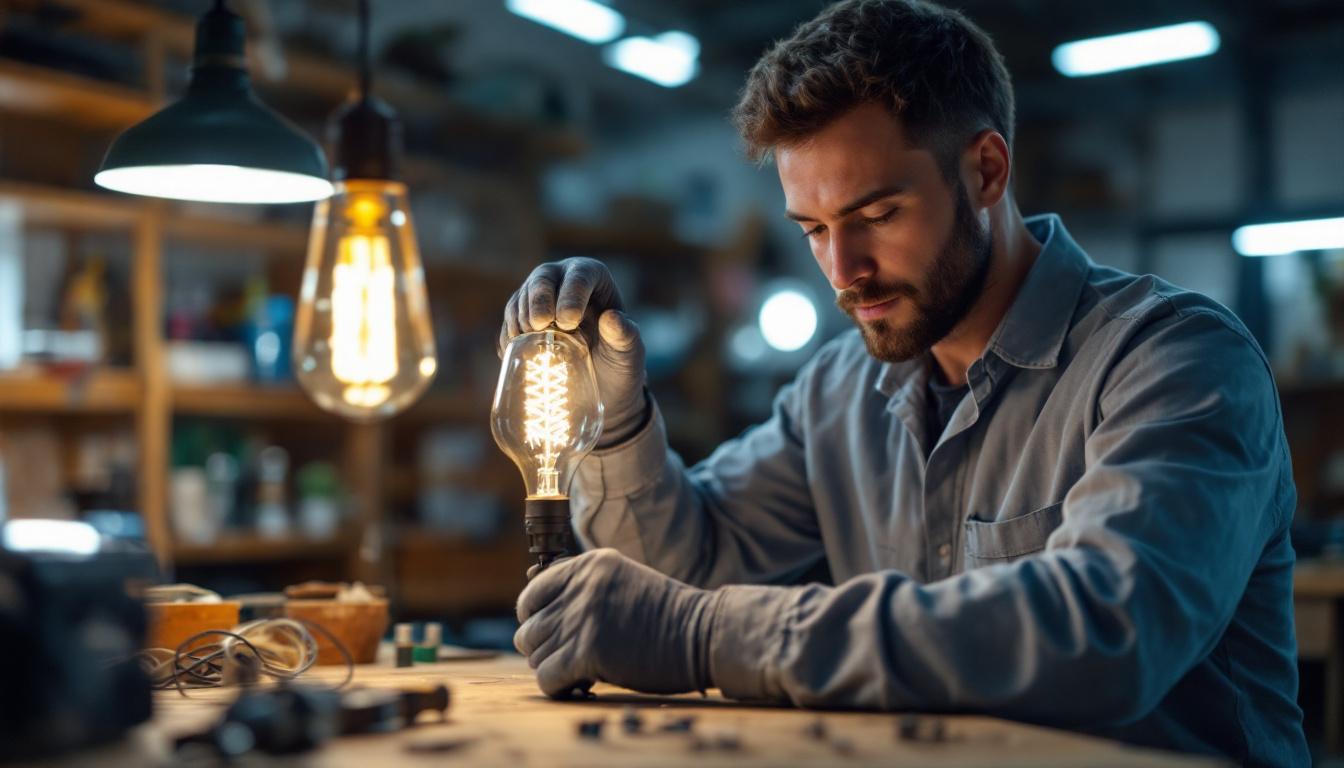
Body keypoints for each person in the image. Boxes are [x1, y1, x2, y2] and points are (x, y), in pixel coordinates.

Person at [505, 0, 1308, 763]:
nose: (843, 272)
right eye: (814, 230)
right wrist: (614, 421)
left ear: (987, 171)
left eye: (878, 215)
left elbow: (1104, 633)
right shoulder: (838, 393)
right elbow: (684, 569)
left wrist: (711, 637)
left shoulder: (1176, 359)